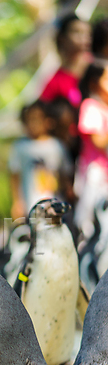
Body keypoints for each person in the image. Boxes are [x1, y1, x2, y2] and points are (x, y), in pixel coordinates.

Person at [9, 100, 73, 220]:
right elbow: (15, 175)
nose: (33, 124)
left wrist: (68, 189)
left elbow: (65, 173)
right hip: (31, 205)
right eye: (29, 119)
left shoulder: (57, 146)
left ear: (48, 121)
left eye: (37, 119)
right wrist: (17, 202)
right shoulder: (20, 147)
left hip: (55, 204)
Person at [75, 60, 108, 237]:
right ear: (94, 83)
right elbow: (99, 141)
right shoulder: (90, 106)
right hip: (94, 173)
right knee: (89, 215)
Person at [41, 13, 91, 108]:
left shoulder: (99, 64)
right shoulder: (55, 83)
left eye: (87, 33)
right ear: (62, 38)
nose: (84, 38)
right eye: (77, 32)